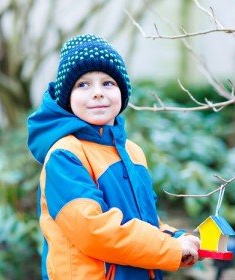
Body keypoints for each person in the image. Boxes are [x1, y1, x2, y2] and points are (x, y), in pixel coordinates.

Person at [27, 34, 200, 280]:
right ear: (67, 99)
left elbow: (142, 221)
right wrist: (167, 249)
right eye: (83, 85)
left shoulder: (133, 152)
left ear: (122, 92)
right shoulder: (65, 155)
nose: (97, 93)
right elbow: (92, 231)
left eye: (108, 83)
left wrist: (173, 237)